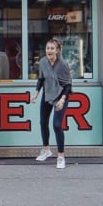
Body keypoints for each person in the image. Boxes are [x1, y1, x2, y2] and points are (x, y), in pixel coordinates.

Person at [31, 38, 72, 169]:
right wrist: (36, 93)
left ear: (57, 50)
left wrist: (62, 100)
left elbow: (68, 85)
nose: (49, 50)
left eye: (52, 48)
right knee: (43, 122)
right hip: (47, 95)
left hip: (61, 96)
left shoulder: (63, 65)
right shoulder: (43, 62)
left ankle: (61, 156)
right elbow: (41, 78)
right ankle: (46, 149)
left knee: (57, 125)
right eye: (48, 48)